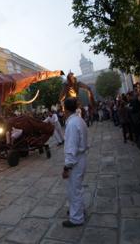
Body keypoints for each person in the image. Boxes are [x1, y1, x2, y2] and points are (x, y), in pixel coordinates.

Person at [62, 97, 89, 228]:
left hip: (76, 161)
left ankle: (76, 218)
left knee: (74, 190)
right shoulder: (79, 120)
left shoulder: (72, 124)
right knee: (77, 188)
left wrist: (67, 166)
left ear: (65, 109)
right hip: (81, 158)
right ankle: (78, 209)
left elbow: (71, 148)